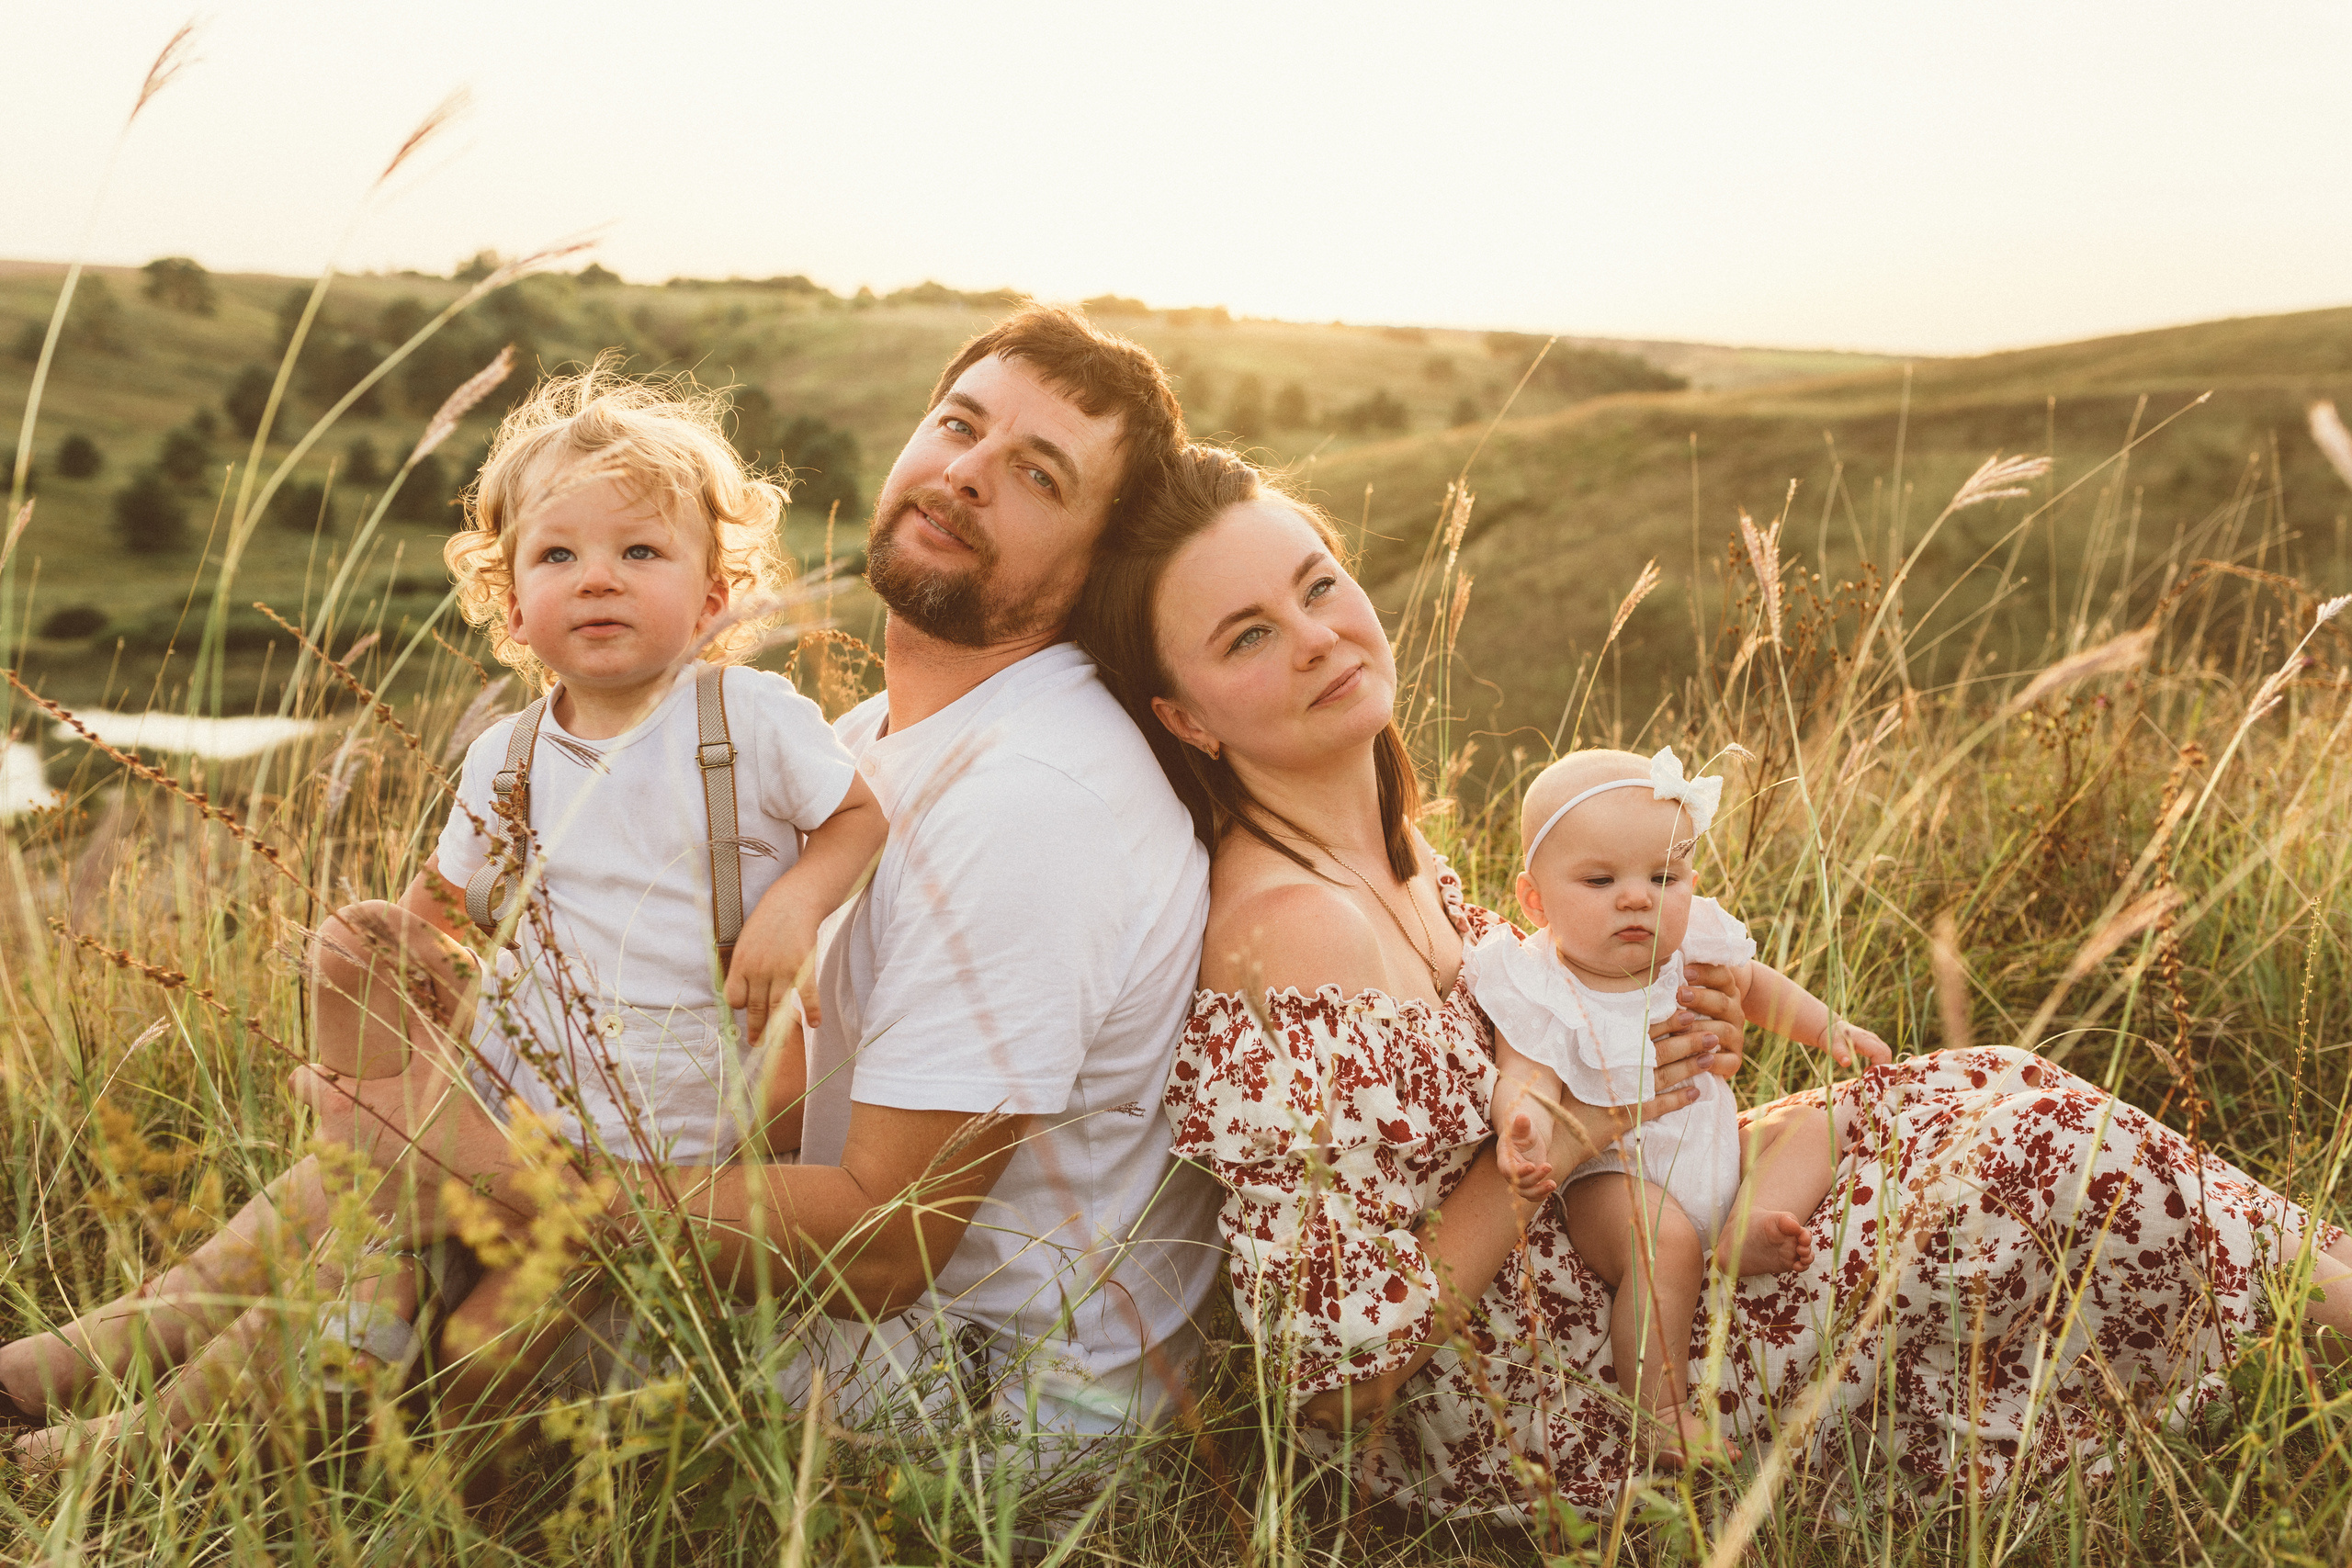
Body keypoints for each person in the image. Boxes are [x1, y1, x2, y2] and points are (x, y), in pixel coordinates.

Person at [1076, 439, 2352, 1516]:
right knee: (2037, 1145)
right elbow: (1335, 1383)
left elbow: (1540, 1043)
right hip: (1566, 1390)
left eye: (1318, 583)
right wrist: (1580, 1125)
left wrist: (1658, 1056)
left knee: (1985, 1087)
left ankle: (2312, 1287)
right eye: (1250, 635)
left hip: (1620, 1248)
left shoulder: (1391, 846)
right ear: (1185, 716)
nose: (1317, 637)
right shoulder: (1293, 927)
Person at [285, 306, 1221, 1467]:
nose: (968, 473)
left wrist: (490, 1167)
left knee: (385, 1172)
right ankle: (90, 1395)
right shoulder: (878, 734)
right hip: (795, 1263)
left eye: (1038, 475)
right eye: (958, 424)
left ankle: (153, 1443)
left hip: (962, 1404)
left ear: (1096, 559)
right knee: (380, 1132)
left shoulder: (1035, 799)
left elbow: (886, 1248)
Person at [2, 366, 888, 1459]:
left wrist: (795, 904)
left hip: (653, 1148)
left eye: (639, 552)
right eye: (557, 556)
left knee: (477, 1341)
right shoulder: (506, 755)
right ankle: (104, 1398)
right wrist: (394, 992)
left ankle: (362, 1410)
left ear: (714, 596)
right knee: (352, 963)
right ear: (511, 604)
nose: (597, 578)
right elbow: (440, 914)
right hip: (507, 1107)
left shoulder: (747, 719)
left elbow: (857, 816)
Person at [1469, 745, 1891, 1468]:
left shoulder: (1692, 943)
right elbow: (1525, 1071)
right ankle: (1661, 1409)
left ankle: (1745, 1222)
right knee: (1660, 1240)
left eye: (1664, 876)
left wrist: (1829, 1028)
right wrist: (1524, 1124)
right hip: (1613, 1177)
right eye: (1600, 880)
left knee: (1815, 1121)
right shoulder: (1539, 982)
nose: (1638, 897)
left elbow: (1756, 987)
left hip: (1712, 1148)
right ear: (1535, 900)